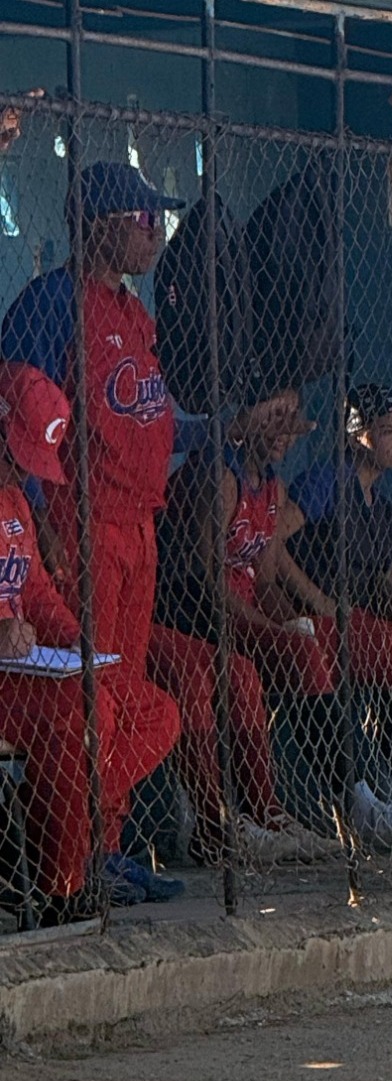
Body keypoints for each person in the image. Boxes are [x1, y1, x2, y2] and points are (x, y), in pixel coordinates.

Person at [1, 161, 189, 904]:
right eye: (143, 221)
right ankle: (67, 851)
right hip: (83, 526)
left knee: (126, 684)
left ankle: (102, 843)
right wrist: (42, 528)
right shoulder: (52, 303)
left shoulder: (133, 310)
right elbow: (29, 423)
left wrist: (220, 432)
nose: (155, 235)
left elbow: (149, 416)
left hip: (141, 521)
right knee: (91, 693)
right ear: (102, 225)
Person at [0, 362, 181, 926]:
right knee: (88, 711)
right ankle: (60, 884)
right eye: (16, 454)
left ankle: (35, 831)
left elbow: (39, 594)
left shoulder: (15, 502)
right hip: (9, 681)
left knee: (155, 711)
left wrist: (76, 642)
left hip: (26, 673)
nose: (20, 469)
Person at [152, 383, 342, 866]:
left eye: (293, 418)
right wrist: (270, 631)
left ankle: (283, 811)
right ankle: (223, 822)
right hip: (190, 612)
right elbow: (203, 579)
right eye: (276, 416)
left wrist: (294, 621)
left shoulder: (272, 487)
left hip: (240, 614)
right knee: (242, 672)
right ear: (249, 415)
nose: (286, 431)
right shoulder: (222, 477)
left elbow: (269, 578)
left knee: (309, 646)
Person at [288, 383, 392, 818]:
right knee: (391, 648)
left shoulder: (384, 508)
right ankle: (363, 798)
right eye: (388, 431)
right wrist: (316, 598)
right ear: (358, 434)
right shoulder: (326, 480)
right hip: (305, 617)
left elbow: (386, 583)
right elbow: (271, 543)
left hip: (352, 622)